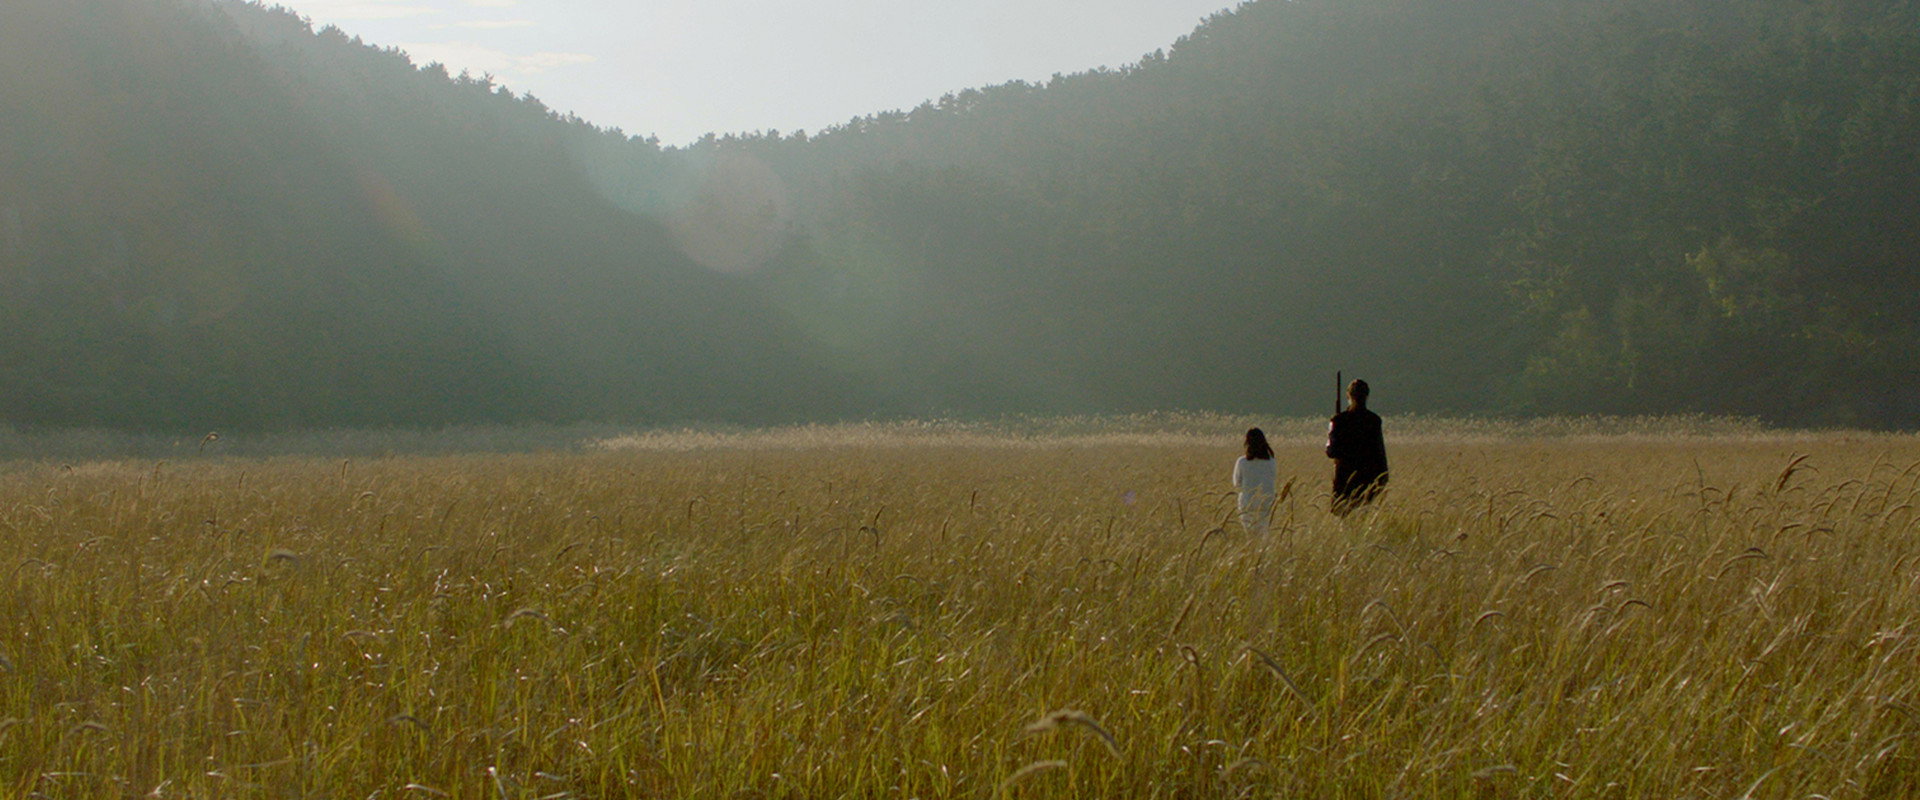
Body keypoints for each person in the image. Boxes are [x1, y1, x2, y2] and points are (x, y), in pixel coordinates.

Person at [1326, 379, 1388, 515]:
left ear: (1348, 396)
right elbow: (1380, 455)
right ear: (1366, 396)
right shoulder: (1374, 420)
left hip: (1344, 483)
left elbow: (1330, 451)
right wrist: (1381, 481)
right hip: (1367, 483)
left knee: (1345, 523)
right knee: (1363, 520)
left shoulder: (1338, 420)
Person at [1233, 427, 1278, 533]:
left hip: (1247, 505)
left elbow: (1237, 483)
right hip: (1266, 504)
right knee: (1264, 536)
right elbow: (1273, 478)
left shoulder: (1242, 462)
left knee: (1250, 537)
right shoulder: (1271, 461)